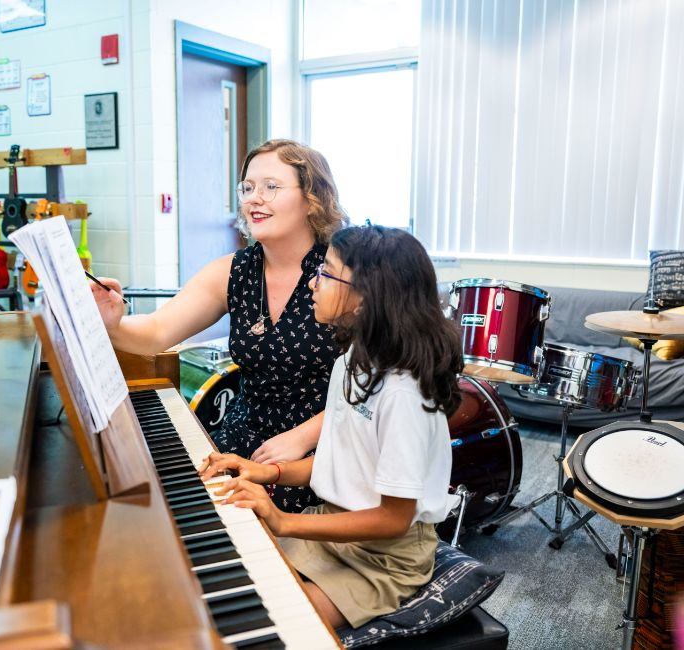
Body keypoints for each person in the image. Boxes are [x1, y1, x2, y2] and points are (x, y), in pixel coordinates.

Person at [198, 225, 463, 629]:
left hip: (387, 557)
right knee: (227, 582)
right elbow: (340, 461)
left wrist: (284, 521)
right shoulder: (353, 360)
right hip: (335, 526)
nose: (312, 282)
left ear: (365, 298)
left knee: (274, 622)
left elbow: (392, 518)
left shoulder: (404, 394)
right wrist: (271, 472)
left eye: (327, 272)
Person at [91, 139, 348, 512]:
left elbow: (377, 385)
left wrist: (305, 435)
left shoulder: (343, 272)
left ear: (312, 199)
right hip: (241, 443)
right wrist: (111, 323)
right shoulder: (235, 271)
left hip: (322, 452)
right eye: (247, 188)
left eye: (271, 187)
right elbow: (157, 331)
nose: (254, 198)